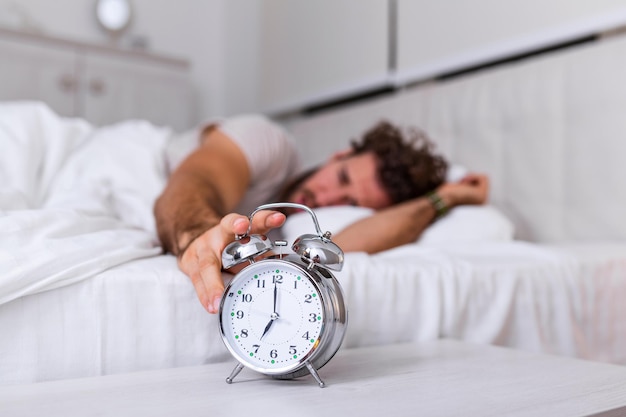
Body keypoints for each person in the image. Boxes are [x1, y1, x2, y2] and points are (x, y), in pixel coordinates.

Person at [154, 115, 489, 314]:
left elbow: (348, 244)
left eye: (350, 204)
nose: (325, 199)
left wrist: (444, 197)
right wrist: (197, 234)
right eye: (342, 178)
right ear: (340, 155)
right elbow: (192, 185)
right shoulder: (268, 144)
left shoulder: (299, 226)